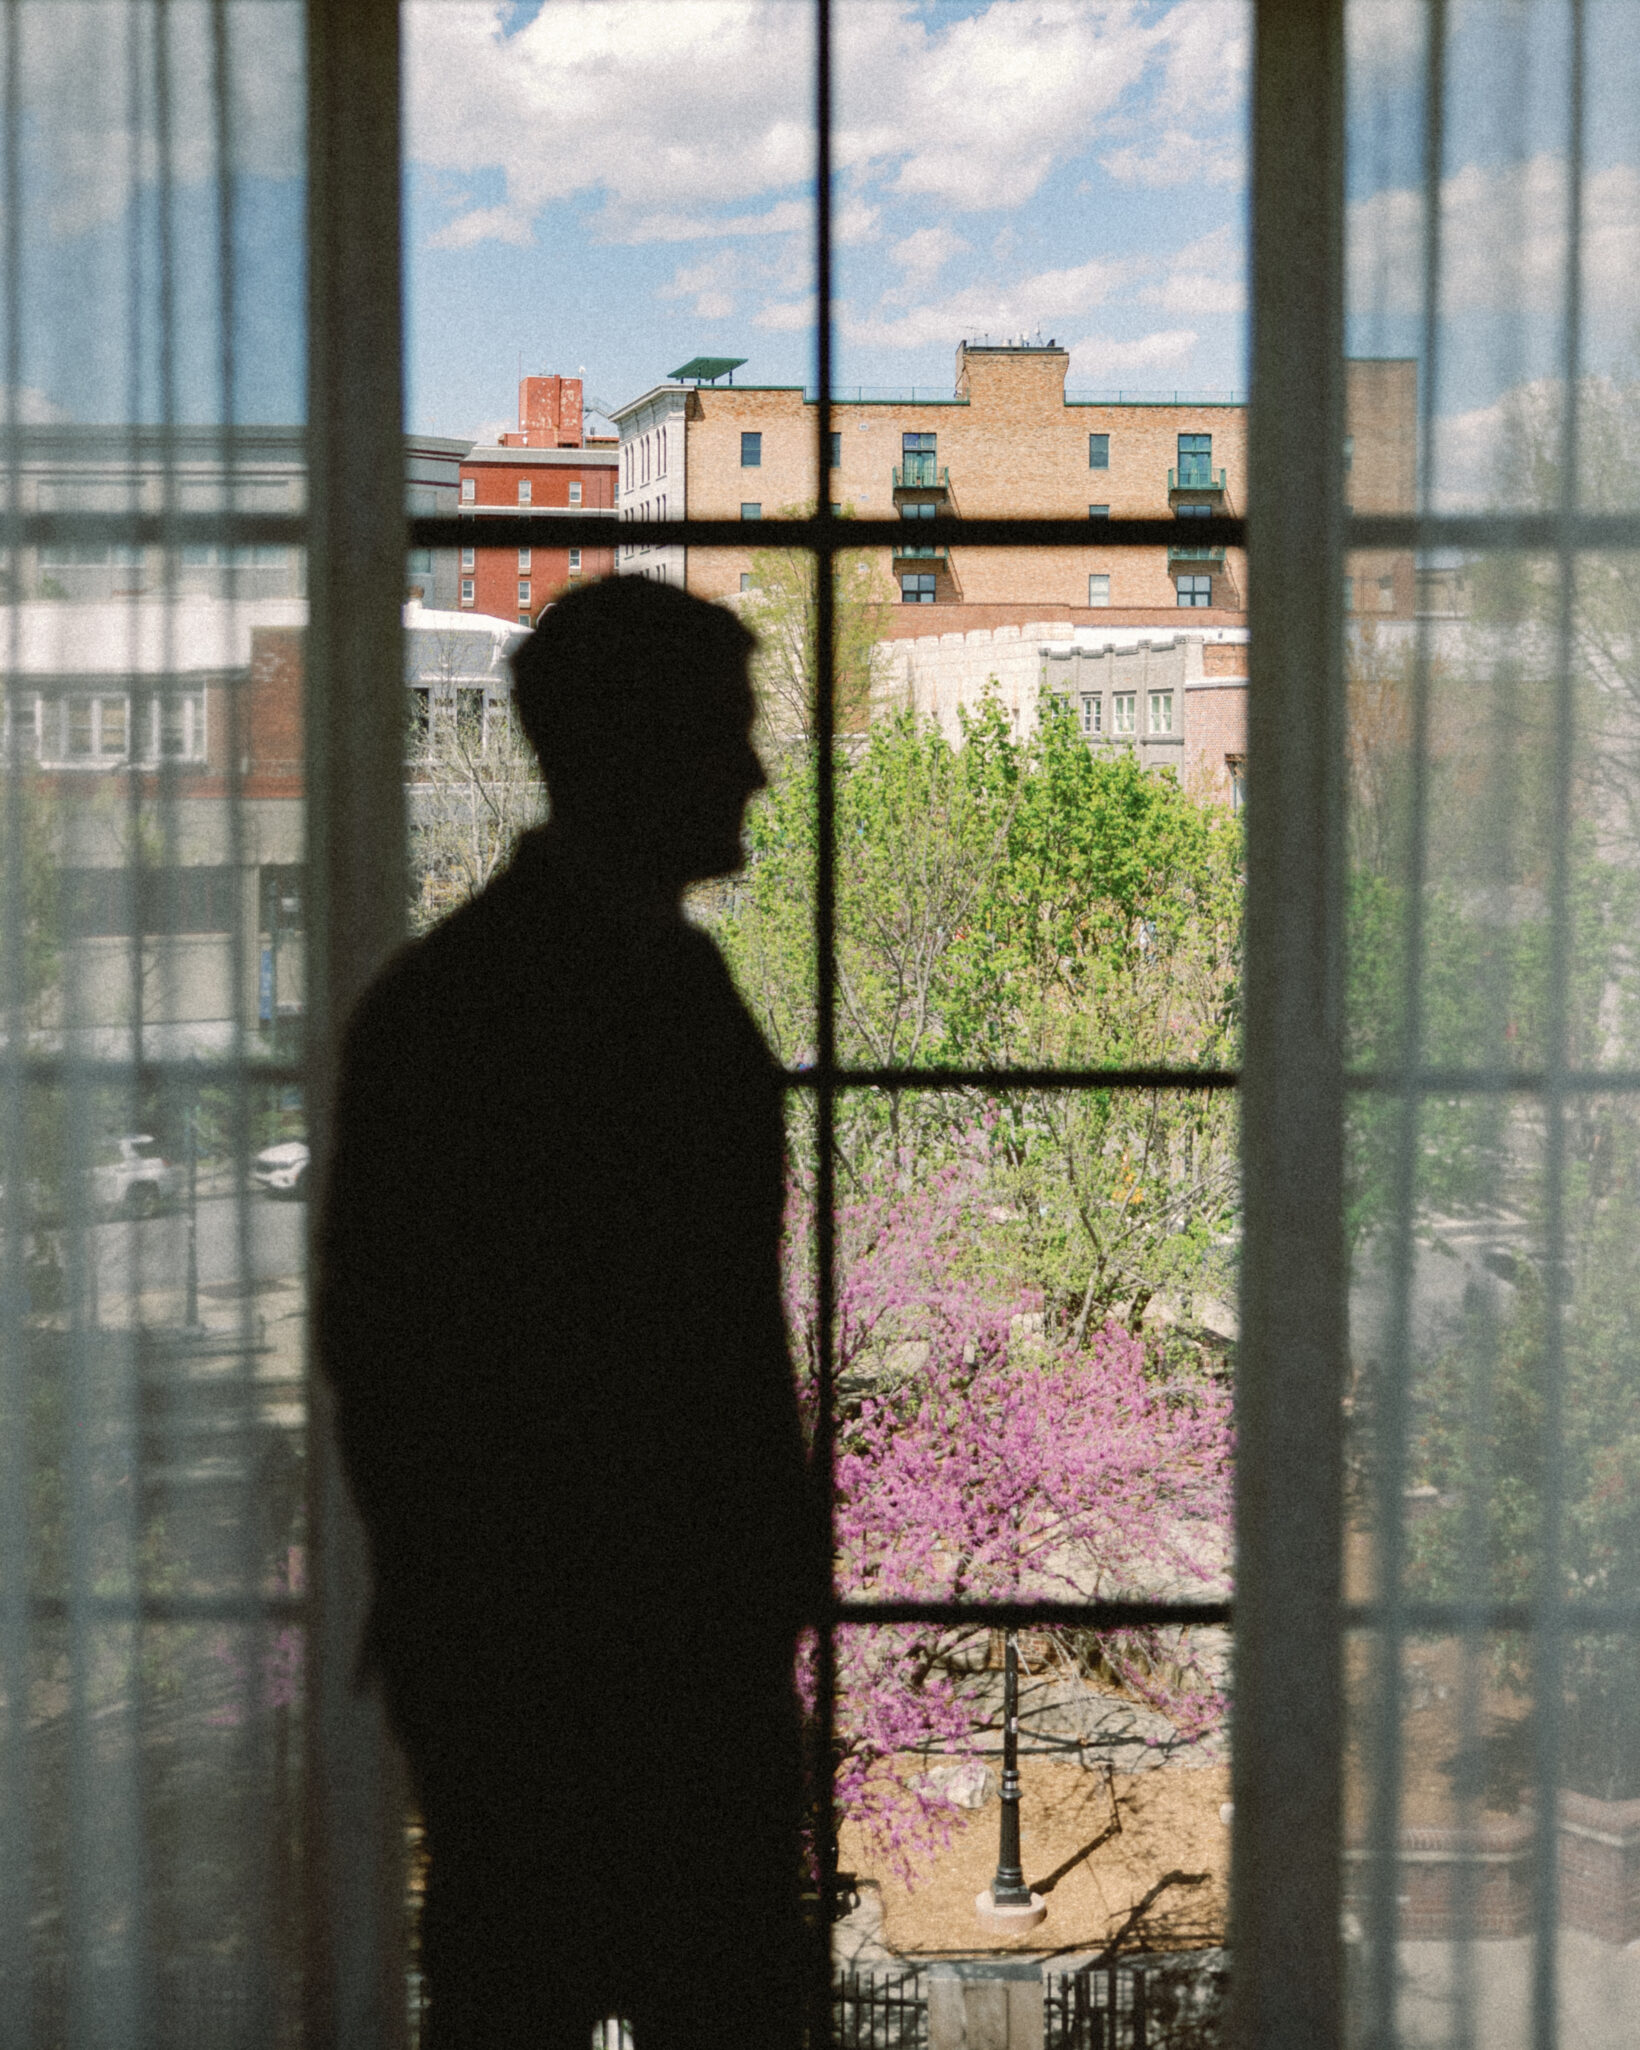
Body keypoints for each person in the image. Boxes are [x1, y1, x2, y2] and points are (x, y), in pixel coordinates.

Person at [316, 577, 822, 2050]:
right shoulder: (572, 1003)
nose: (755, 769)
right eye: (727, 733)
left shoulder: (456, 998)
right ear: (635, 750)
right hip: (588, 1676)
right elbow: (406, 1362)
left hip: (572, 1670)